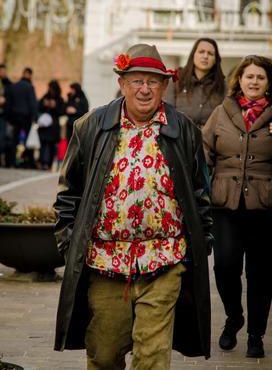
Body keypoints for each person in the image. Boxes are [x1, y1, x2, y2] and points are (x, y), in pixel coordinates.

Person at [53, 43, 214, 369]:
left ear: (164, 86)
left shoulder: (183, 130)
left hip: (164, 261)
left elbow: (200, 194)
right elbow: (68, 194)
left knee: (152, 357)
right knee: (104, 354)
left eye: (152, 81)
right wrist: (71, 244)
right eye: (136, 81)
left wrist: (200, 243)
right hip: (105, 263)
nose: (144, 89)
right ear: (122, 83)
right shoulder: (92, 126)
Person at [202, 55, 272, 358]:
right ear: (239, 80)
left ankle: (256, 334)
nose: (254, 81)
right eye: (249, 76)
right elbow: (204, 151)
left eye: (260, 77)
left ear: (268, 83)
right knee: (225, 265)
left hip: (265, 206)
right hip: (224, 203)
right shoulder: (222, 112)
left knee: (261, 273)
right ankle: (234, 317)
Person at [166, 38, 225, 128]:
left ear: (215, 59)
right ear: (193, 55)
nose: (205, 56)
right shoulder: (176, 81)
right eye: (201, 52)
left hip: (209, 140)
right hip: (180, 138)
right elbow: (167, 114)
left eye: (210, 53)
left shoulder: (223, 86)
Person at [6, 67, 37, 168]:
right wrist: (34, 118)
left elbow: (8, 104)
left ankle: (11, 162)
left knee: (14, 140)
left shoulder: (13, 86)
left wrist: (9, 118)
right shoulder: (29, 87)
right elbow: (32, 103)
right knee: (28, 140)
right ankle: (27, 162)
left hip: (14, 117)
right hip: (26, 117)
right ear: (29, 74)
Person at [37, 80, 65, 170]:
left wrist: (55, 106)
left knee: (51, 145)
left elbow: (62, 111)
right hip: (44, 126)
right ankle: (42, 162)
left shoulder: (59, 99)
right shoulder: (45, 97)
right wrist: (44, 104)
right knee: (43, 144)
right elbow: (39, 107)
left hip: (53, 126)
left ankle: (48, 163)